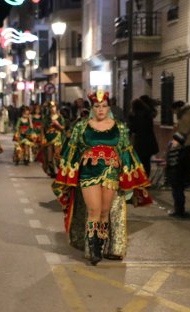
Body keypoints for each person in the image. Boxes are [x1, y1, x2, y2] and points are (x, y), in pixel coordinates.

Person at [53, 89, 152, 265]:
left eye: (104, 106)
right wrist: (74, 163)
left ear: (109, 108)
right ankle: (93, 250)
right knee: (94, 211)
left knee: (105, 212)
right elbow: (72, 148)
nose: (100, 109)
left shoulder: (119, 127)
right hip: (89, 173)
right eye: (97, 106)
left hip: (111, 173)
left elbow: (126, 151)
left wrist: (130, 174)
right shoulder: (81, 126)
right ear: (92, 107)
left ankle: (101, 244)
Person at [129, 97, 158, 177]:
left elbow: (132, 128)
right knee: (146, 162)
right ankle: (146, 179)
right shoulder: (148, 114)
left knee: (138, 162)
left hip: (140, 142)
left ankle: (140, 179)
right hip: (149, 142)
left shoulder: (135, 115)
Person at [165, 132, 190, 218]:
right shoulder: (171, 150)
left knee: (179, 194)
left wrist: (186, 179)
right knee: (175, 194)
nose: (172, 142)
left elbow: (186, 166)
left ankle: (180, 211)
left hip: (179, 177)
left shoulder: (183, 152)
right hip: (173, 177)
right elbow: (168, 164)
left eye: (175, 140)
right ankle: (177, 210)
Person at [40, 102, 65, 177]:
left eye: (54, 107)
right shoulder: (46, 117)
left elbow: (63, 127)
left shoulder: (60, 117)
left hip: (57, 136)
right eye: (51, 107)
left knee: (57, 154)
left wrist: (57, 125)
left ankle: (59, 170)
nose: (52, 109)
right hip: (48, 137)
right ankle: (51, 170)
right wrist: (42, 136)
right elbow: (42, 127)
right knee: (49, 154)